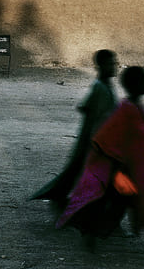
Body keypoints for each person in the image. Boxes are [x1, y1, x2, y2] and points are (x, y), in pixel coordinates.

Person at [58, 64, 144, 261]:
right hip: (124, 173)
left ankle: (91, 235)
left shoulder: (134, 108)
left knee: (120, 207)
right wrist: (115, 171)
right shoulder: (126, 110)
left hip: (132, 172)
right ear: (135, 85)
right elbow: (105, 140)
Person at [33, 49, 119, 208]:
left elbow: (88, 108)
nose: (115, 66)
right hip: (98, 142)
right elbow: (94, 115)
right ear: (101, 66)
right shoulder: (100, 87)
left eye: (115, 63)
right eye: (111, 63)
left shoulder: (104, 86)